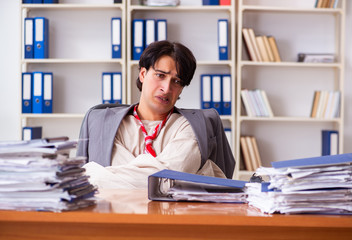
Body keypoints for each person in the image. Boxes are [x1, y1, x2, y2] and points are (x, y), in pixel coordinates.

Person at [77, 40, 235, 189]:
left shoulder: (192, 126)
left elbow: (167, 179)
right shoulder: (105, 124)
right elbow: (166, 182)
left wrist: (96, 176)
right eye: (160, 75)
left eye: (177, 81)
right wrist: (198, 173)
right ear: (143, 74)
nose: (166, 88)